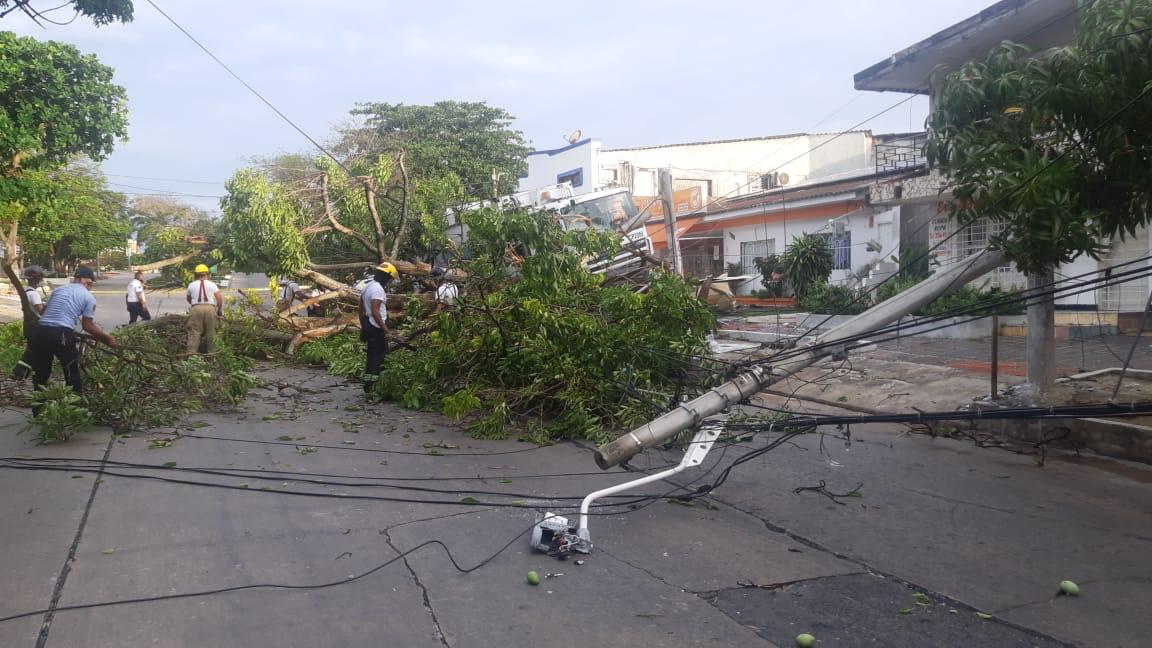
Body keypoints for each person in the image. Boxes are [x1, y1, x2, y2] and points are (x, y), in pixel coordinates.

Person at [26, 266, 117, 399]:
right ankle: (74, 407)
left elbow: (45, 312)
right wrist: (107, 339)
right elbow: (88, 326)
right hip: (62, 334)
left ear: (75, 278)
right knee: (71, 372)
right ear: (89, 282)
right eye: (91, 283)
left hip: (41, 332)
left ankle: (38, 410)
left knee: (41, 373)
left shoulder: (58, 290)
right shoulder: (89, 297)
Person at [359, 262, 397, 396]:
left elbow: (361, 309)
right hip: (376, 327)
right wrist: (386, 330)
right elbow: (376, 311)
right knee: (380, 357)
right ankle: (375, 387)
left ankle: (368, 385)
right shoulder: (378, 289)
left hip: (369, 325)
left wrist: (364, 326)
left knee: (371, 356)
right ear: (387, 276)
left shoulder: (367, 286)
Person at [11, 265, 48, 380]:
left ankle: (22, 373)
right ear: (36, 280)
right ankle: (20, 373)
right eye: (41, 279)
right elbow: (41, 311)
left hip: (28, 326)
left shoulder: (26, 292)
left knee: (33, 350)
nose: (42, 281)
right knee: (34, 351)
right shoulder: (34, 294)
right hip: (35, 326)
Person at [186, 263, 223, 354]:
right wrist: (219, 310)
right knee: (211, 332)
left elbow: (188, 299)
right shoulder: (212, 284)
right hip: (210, 308)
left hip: (196, 308)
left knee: (194, 332)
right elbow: (219, 298)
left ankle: (191, 354)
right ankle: (212, 354)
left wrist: (195, 306)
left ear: (195, 274)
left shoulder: (191, 285)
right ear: (207, 274)